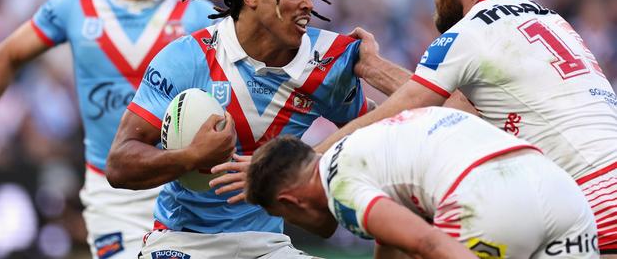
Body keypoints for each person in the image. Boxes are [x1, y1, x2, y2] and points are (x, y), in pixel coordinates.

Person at [314, 0, 617, 256]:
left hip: (589, 203)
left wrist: (306, 160)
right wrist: (373, 67)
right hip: (594, 188)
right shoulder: (552, 21)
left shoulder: (468, 33)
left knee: (422, 236)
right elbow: (460, 113)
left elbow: (410, 112)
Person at [105, 0, 371, 259]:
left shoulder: (328, 62)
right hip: (182, 242)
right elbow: (118, 165)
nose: (307, 4)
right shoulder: (188, 58)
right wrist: (191, 157)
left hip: (267, 246)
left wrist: (312, 169)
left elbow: (376, 129)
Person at [0, 0, 216, 259]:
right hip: (109, 188)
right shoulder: (73, 8)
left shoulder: (197, 13)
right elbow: (8, 54)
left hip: (179, 184)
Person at [249, 107, 600, 259]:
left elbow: (428, 242)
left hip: (486, 200)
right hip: (559, 191)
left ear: (289, 203)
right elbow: (391, 235)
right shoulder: (370, 143)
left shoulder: (339, 188)